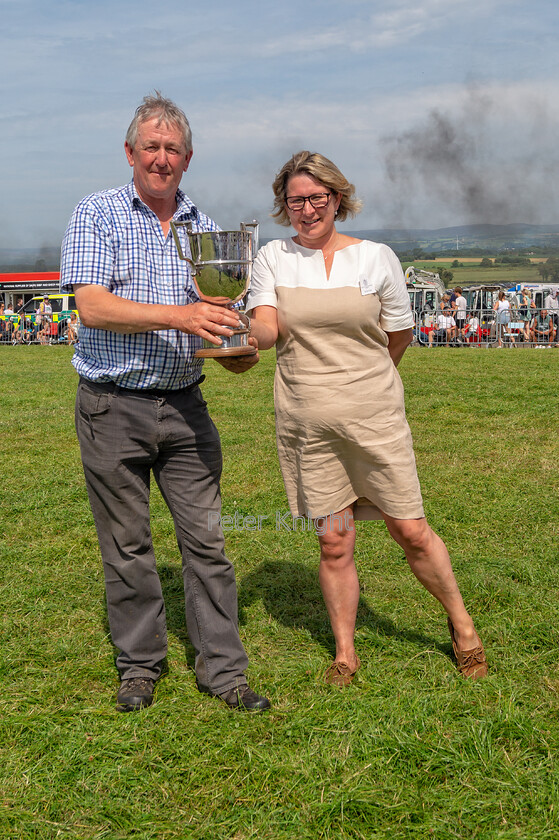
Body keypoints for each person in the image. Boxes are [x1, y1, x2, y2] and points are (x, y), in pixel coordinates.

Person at [60, 93, 270, 714]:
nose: (160, 158)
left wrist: (236, 349)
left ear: (188, 158)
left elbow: (217, 322)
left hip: (185, 405)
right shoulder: (98, 213)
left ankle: (224, 672)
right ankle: (140, 668)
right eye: (150, 147)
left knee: (207, 543)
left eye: (171, 148)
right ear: (130, 153)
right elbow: (92, 306)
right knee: (127, 546)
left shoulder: (207, 230)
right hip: (111, 403)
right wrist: (181, 316)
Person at [244, 150, 487, 685]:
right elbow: (266, 326)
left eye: (316, 198)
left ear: (337, 197)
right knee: (334, 540)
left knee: (411, 529)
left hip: (375, 418)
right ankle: (345, 652)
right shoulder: (273, 258)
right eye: (295, 200)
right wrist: (245, 346)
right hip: (308, 424)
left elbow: (397, 336)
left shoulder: (376, 257)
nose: (306, 209)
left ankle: (462, 624)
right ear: (285, 206)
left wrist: (364, 382)